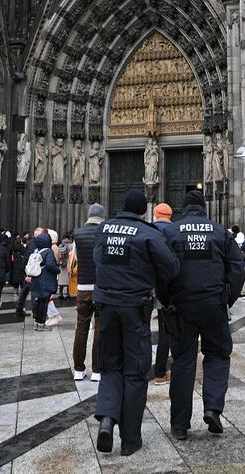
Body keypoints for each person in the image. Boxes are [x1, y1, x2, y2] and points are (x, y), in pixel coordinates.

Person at [93, 189, 180, 457]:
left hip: (106, 306)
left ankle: (107, 418)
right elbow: (172, 268)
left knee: (110, 366)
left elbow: (98, 259)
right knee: (135, 370)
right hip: (134, 308)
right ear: (144, 211)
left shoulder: (104, 229)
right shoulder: (149, 233)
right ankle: (130, 439)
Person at [159, 190, 243, 440]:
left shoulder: (171, 232)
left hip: (182, 306)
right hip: (213, 304)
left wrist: (167, 300)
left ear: (182, 210)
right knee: (217, 354)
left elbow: (161, 270)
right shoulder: (220, 232)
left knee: (183, 361)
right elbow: (237, 270)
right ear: (204, 208)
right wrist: (227, 299)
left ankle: (179, 425)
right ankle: (213, 409)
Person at [72, 204, 104, 382]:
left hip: (83, 287)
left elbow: (75, 258)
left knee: (81, 328)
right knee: (99, 328)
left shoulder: (77, 234)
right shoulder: (106, 233)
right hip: (100, 287)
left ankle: (78, 369)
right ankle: (97, 370)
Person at [152, 202, 174, 385]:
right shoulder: (176, 231)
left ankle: (150, 371)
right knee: (168, 331)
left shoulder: (147, 230)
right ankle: (163, 371)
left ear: (155, 214)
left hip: (147, 289)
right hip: (169, 289)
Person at [30, 232, 59, 331]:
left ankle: (36, 323)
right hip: (45, 281)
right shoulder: (48, 252)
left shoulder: (36, 251)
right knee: (44, 303)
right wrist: (57, 270)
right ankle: (41, 324)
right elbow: (50, 265)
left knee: (38, 302)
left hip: (36, 280)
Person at [16, 227, 45, 317]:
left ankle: (19, 309)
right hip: (34, 269)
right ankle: (35, 312)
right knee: (34, 291)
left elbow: (26, 255)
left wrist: (25, 270)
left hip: (27, 268)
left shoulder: (30, 242)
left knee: (25, 290)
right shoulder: (39, 243)